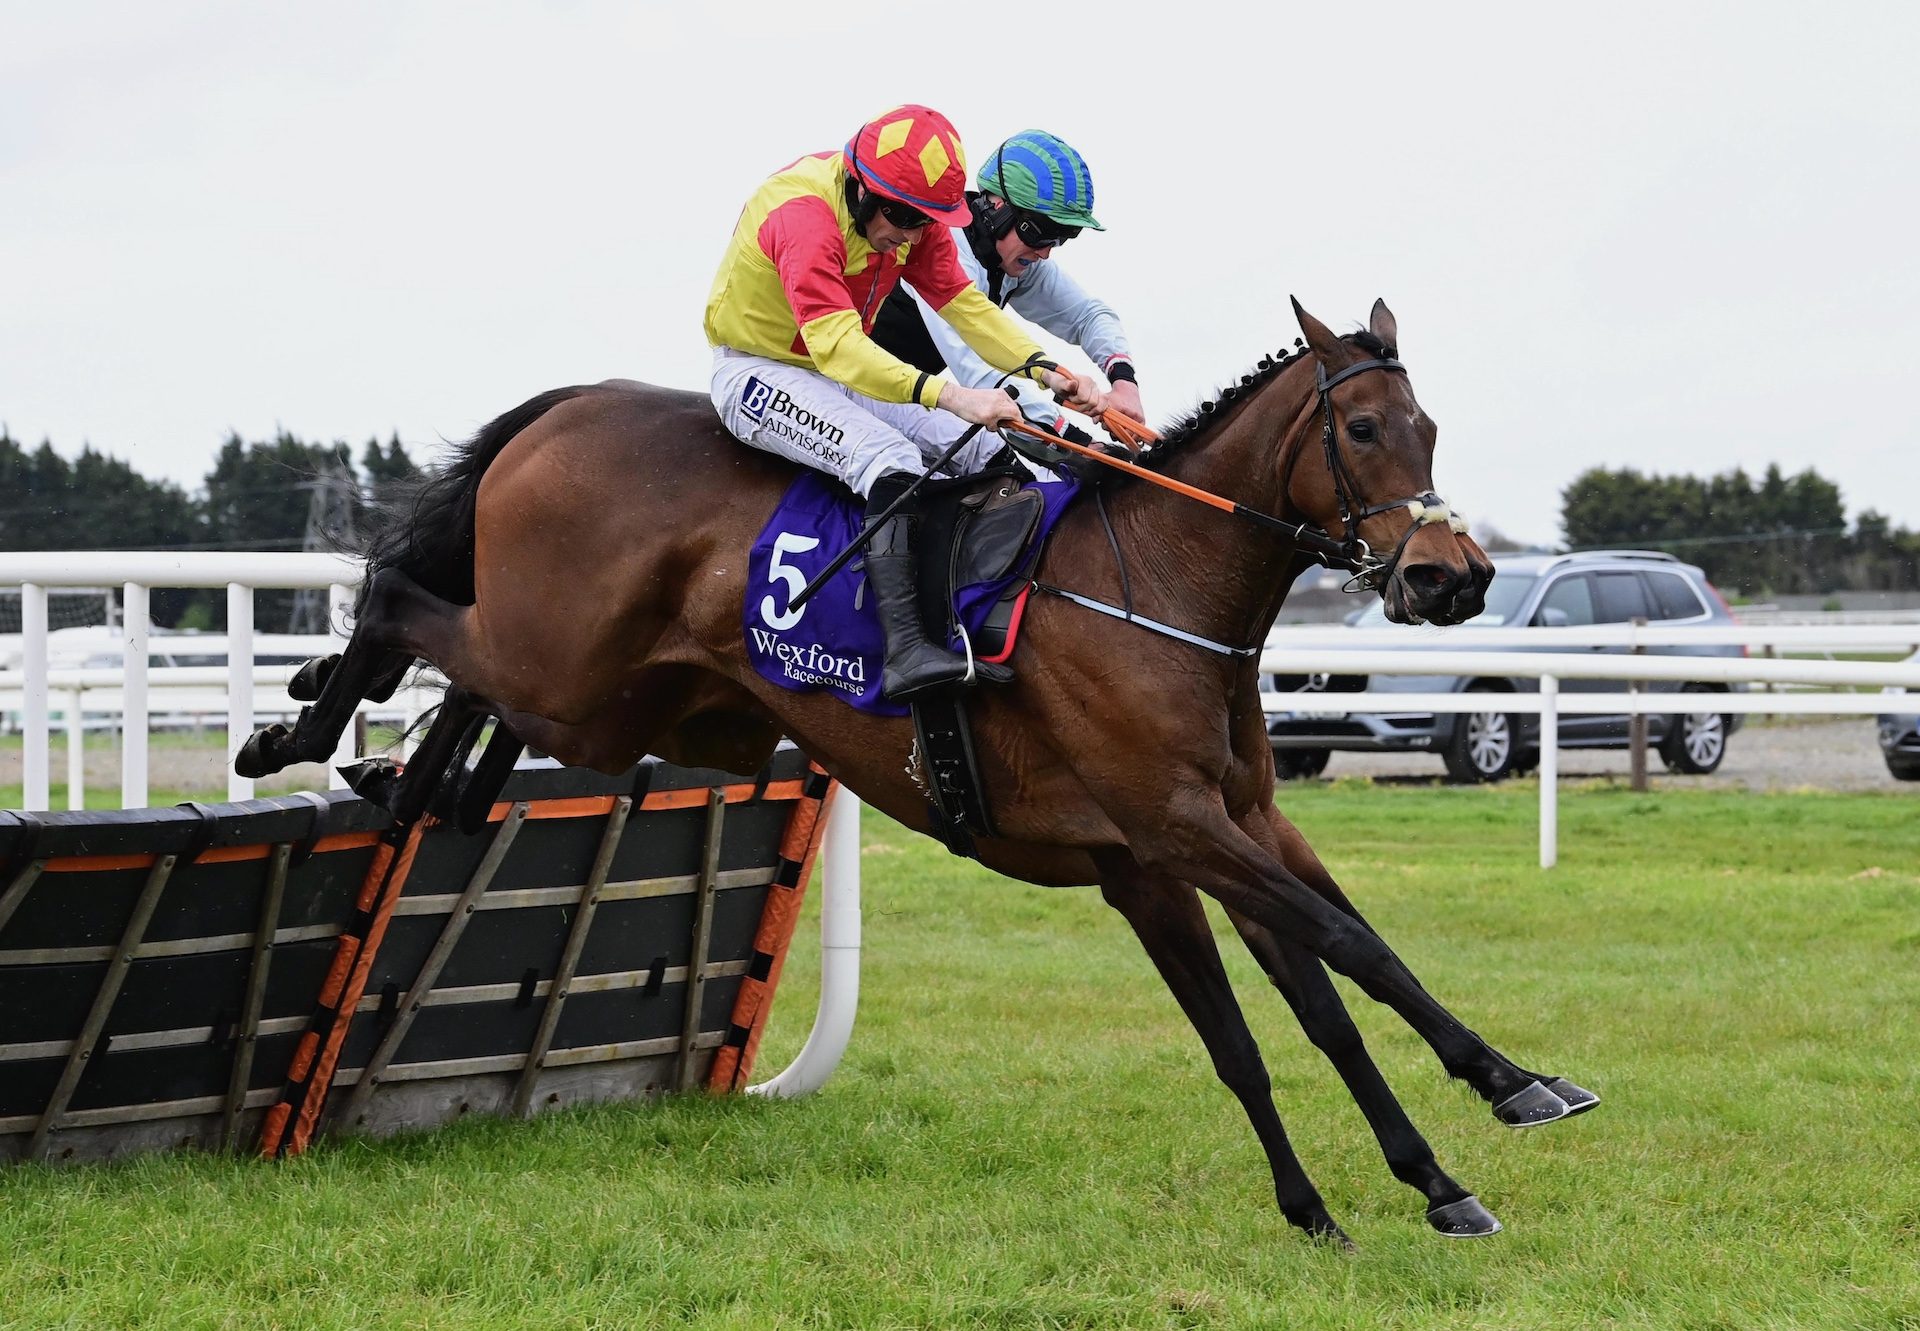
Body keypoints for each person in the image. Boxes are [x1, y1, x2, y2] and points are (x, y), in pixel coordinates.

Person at [705, 105, 1107, 702]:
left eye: (927, 221)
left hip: (830, 372)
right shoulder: (803, 216)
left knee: (988, 451)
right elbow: (839, 346)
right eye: (904, 218)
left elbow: (964, 305)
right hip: (756, 371)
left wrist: (1046, 369)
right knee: (891, 459)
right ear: (860, 188)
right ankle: (906, 651)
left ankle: (981, 617)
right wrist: (953, 395)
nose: (914, 235)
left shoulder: (912, 217)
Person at [871, 129, 1141, 470]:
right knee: (992, 458)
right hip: (844, 387)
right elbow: (980, 375)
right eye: (1040, 232)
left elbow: (1088, 315)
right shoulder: (947, 249)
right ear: (996, 208)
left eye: (1061, 238)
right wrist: (1077, 441)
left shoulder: (1016, 262)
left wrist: (1123, 381)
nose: (1045, 252)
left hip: (897, 394)